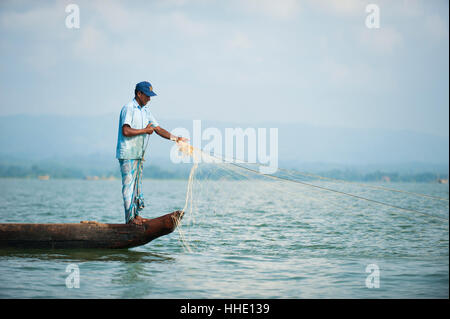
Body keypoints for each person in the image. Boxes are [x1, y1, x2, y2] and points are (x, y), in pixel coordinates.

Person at [116, 81, 187, 225]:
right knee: (128, 186)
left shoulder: (146, 111)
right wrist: (145, 131)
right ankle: (130, 220)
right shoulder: (129, 108)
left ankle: (135, 216)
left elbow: (158, 129)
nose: (149, 99)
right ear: (139, 94)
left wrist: (176, 139)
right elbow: (126, 130)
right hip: (128, 154)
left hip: (138, 154)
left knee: (136, 188)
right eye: (147, 95)